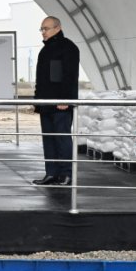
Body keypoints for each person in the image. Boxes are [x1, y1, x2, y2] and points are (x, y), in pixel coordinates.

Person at [33, 16, 80, 186]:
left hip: (62, 104)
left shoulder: (68, 48)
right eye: (42, 29)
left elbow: (70, 76)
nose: (43, 32)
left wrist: (65, 99)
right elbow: (41, 78)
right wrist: (37, 100)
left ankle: (67, 174)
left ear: (57, 28)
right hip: (46, 103)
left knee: (62, 138)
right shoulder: (44, 51)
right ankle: (51, 173)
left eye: (46, 28)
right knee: (49, 138)